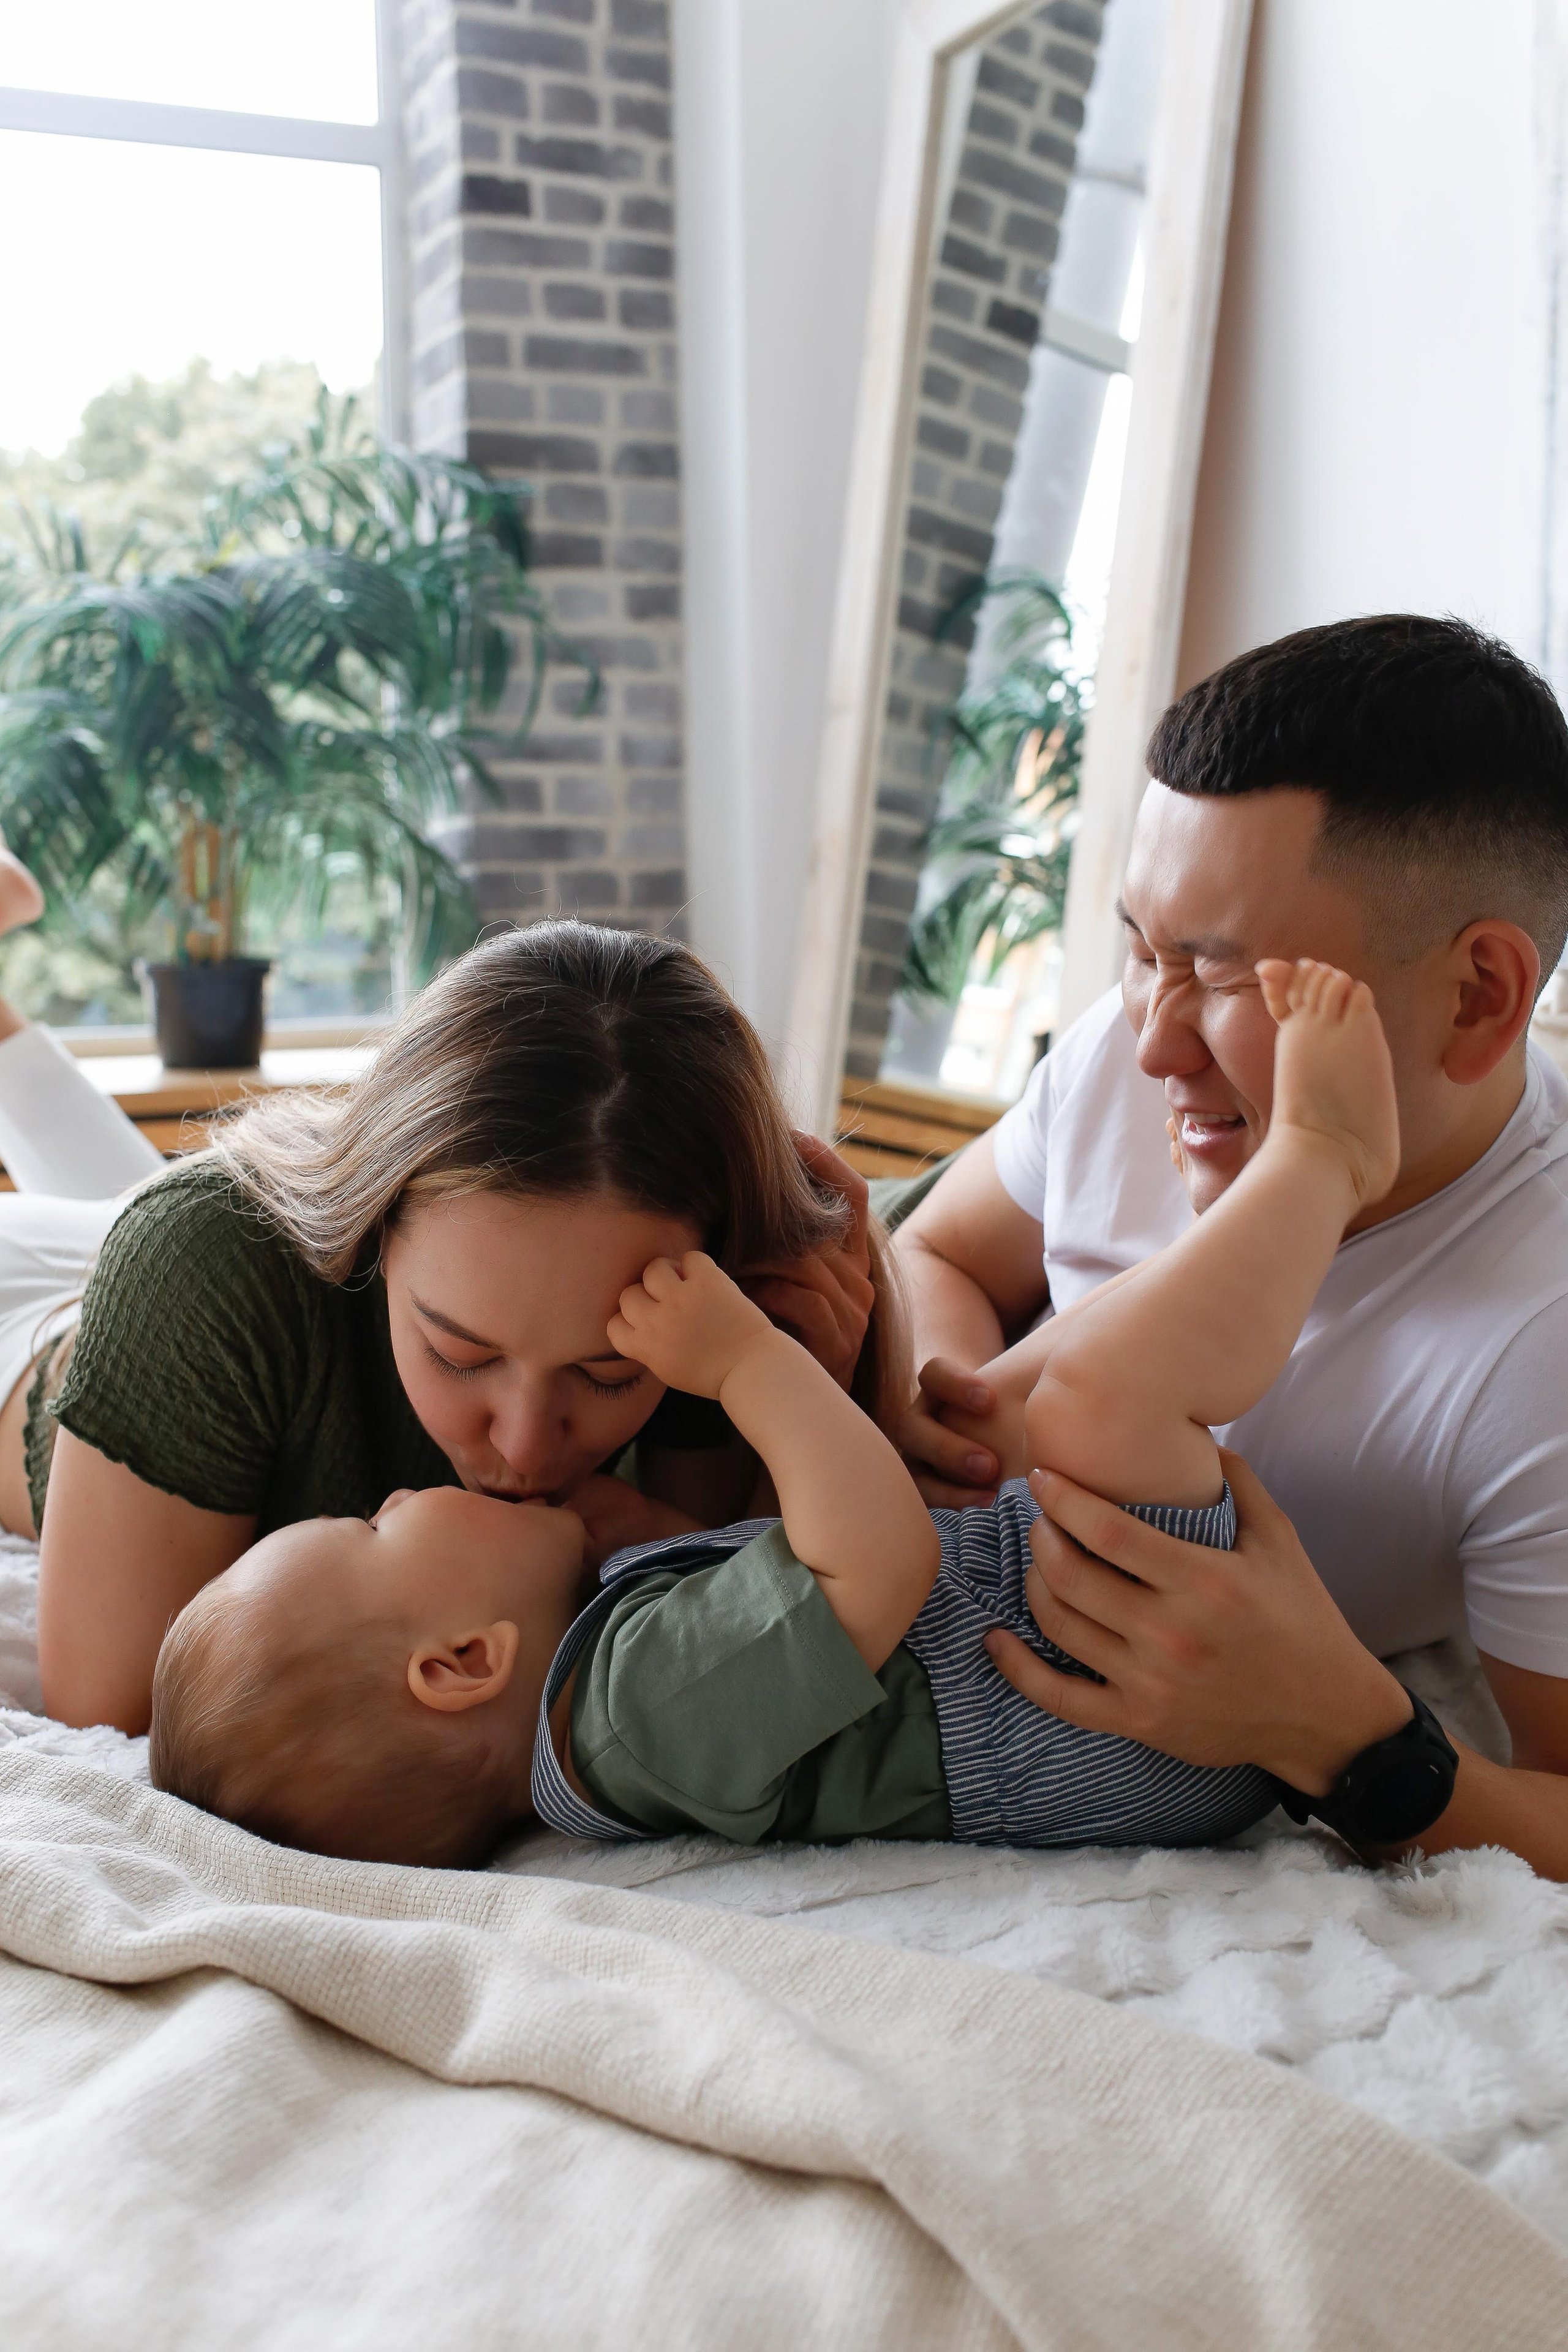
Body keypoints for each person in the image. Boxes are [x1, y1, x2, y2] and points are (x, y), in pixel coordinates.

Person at [147, 956, 1412, 1868]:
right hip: (1105, 1707)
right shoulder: (630, 1714)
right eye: (374, 1530)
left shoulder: (607, 1687)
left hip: (1077, 1649)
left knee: (1065, 1375)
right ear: (462, 1661)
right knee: (1100, 1390)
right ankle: (1317, 1162)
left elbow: (733, 1577)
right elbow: (874, 1556)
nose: (503, 1457)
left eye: (604, 1373)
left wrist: (628, 1518)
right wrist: (744, 1365)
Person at [889, 614, 1568, 1877]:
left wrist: (1344, 1734)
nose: (1151, 1042)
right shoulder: (1120, 1043)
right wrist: (948, 1412)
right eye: (1141, 951)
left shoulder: (1540, 1346)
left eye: (1227, 978)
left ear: (1476, 998)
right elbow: (935, 1248)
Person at [0, 907, 889, 1739]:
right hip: (36, 1318)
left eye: (608, 1374)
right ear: (380, 1227)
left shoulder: (706, 1304)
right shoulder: (204, 1269)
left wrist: (815, 1385)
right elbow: (112, 1715)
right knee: (144, 1219)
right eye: (460, 1355)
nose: (530, 1447)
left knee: (123, 1197)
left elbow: (743, 1620)